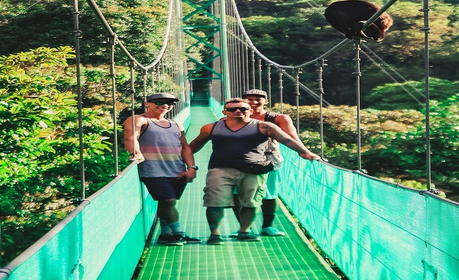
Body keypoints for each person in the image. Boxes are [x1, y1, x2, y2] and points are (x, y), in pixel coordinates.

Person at [189, 98, 320, 244]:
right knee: (214, 202)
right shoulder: (211, 128)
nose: (238, 111)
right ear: (224, 112)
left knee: (251, 203)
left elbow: (286, 139)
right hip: (220, 169)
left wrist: (305, 152)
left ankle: (245, 231)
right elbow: (196, 144)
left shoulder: (264, 126)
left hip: (253, 169)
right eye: (232, 109)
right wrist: (184, 161)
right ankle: (215, 234)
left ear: (250, 111)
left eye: (243, 109)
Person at [123, 92, 200, 246]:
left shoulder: (176, 124)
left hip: (177, 169)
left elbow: (185, 147)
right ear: (147, 104)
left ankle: (166, 234)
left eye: (169, 103)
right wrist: (136, 153)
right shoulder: (139, 120)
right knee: (168, 200)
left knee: (167, 204)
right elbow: (131, 137)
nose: (165, 105)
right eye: (159, 102)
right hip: (153, 170)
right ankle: (178, 233)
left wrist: (191, 167)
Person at [240, 88, 307, 236]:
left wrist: (304, 152)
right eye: (249, 99)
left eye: (258, 99)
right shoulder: (236, 114)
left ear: (266, 101)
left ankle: (267, 226)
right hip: (241, 158)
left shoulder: (277, 118)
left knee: (269, 192)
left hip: (268, 158)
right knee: (238, 193)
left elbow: (292, 137)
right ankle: (244, 227)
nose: (254, 102)